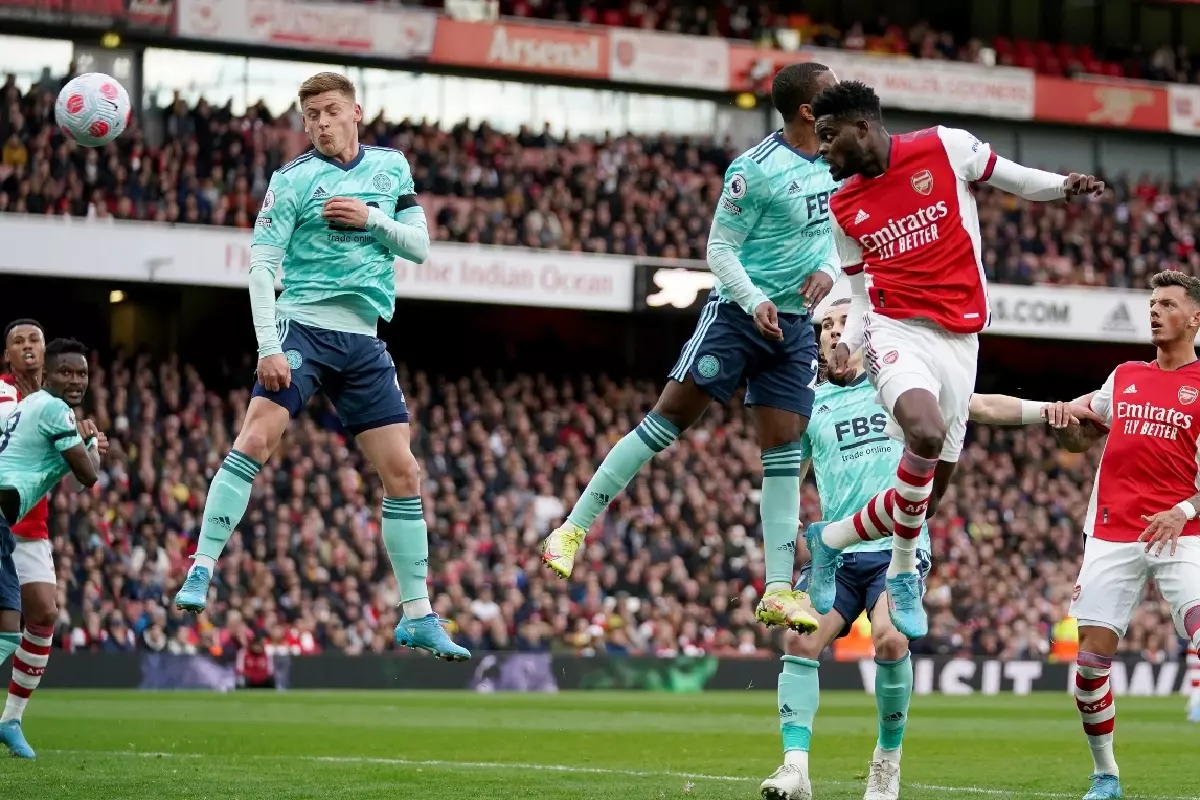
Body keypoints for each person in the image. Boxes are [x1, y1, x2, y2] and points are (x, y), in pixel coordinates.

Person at [171, 71, 469, 662]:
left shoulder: (392, 167)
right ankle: (201, 566)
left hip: (363, 339)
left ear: (357, 111)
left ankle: (417, 616)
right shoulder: (291, 181)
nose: (322, 123)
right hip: (301, 324)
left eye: (331, 111)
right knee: (257, 436)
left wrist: (370, 220)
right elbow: (260, 266)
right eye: (312, 116)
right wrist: (267, 346)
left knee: (404, 474)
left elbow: (419, 245)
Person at [541, 63, 842, 634]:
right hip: (737, 316)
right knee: (666, 422)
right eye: (832, 89)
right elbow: (719, 248)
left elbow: (840, 232)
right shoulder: (754, 171)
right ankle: (573, 527)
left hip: (797, 326)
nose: (843, 94)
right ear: (808, 109)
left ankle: (778, 588)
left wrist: (828, 269)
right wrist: (754, 300)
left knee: (783, 454)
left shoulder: (838, 160)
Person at [803, 80, 1105, 639]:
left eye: (827, 136)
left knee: (928, 495)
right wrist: (849, 341)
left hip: (960, 339)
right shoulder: (842, 206)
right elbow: (864, 296)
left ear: (862, 127)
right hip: (896, 331)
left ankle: (833, 537)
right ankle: (900, 574)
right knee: (923, 431)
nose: (821, 149)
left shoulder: (942, 147)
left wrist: (1064, 186)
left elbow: (1012, 176)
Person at [760, 300, 1092, 800]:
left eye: (841, 323)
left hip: (898, 547)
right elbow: (784, 477)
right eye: (825, 326)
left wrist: (1047, 411)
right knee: (799, 642)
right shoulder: (810, 405)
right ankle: (795, 768)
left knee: (891, 640)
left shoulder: (895, 382)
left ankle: (885, 764)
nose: (833, 333)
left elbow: (976, 405)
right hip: (842, 556)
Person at [1043, 269, 1200, 800]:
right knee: (1089, 666)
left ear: (1195, 318)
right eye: (1152, 303)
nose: (1155, 311)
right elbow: (1080, 440)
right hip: (1112, 530)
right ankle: (1106, 774)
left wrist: (1182, 509)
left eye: (1168, 304)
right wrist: (1070, 428)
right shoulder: (1125, 375)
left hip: (1183, 530)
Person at [0, 338, 103, 758]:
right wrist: (88, 444)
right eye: (68, 372)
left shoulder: (39, 405)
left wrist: (80, 443)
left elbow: (79, 479)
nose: (75, 379)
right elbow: (89, 475)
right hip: (5, 516)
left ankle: (11, 719)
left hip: (20, 525)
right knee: (7, 632)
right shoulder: (23, 398)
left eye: (34, 340)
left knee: (36, 616)